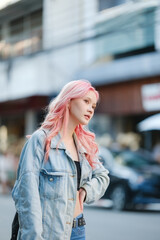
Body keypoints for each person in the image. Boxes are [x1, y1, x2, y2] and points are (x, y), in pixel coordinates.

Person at [12, 80, 110, 240]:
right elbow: (27, 195)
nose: (90, 109)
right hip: (49, 233)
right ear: (69, 101)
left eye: (93, 106)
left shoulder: (84, 145)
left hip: (78, 230)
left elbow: (103, 176)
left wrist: (85, 191)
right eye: (86, 101)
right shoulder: (40, 141)